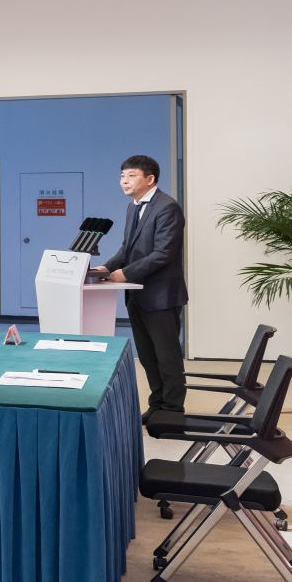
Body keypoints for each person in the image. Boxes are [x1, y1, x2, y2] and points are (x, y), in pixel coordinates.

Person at [92, 153, 189, 416]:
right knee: (147, 356)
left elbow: (163, 253)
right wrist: (107, 268)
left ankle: (172, 410)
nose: (124, 181)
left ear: (150, 179)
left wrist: (126, 274)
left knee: (166, 357)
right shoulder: (133, 207)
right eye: (122, 176)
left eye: (131, 176)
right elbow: (127, 248)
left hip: (161, 297)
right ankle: (157, 406)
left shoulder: (167, 207)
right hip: (137, 296)